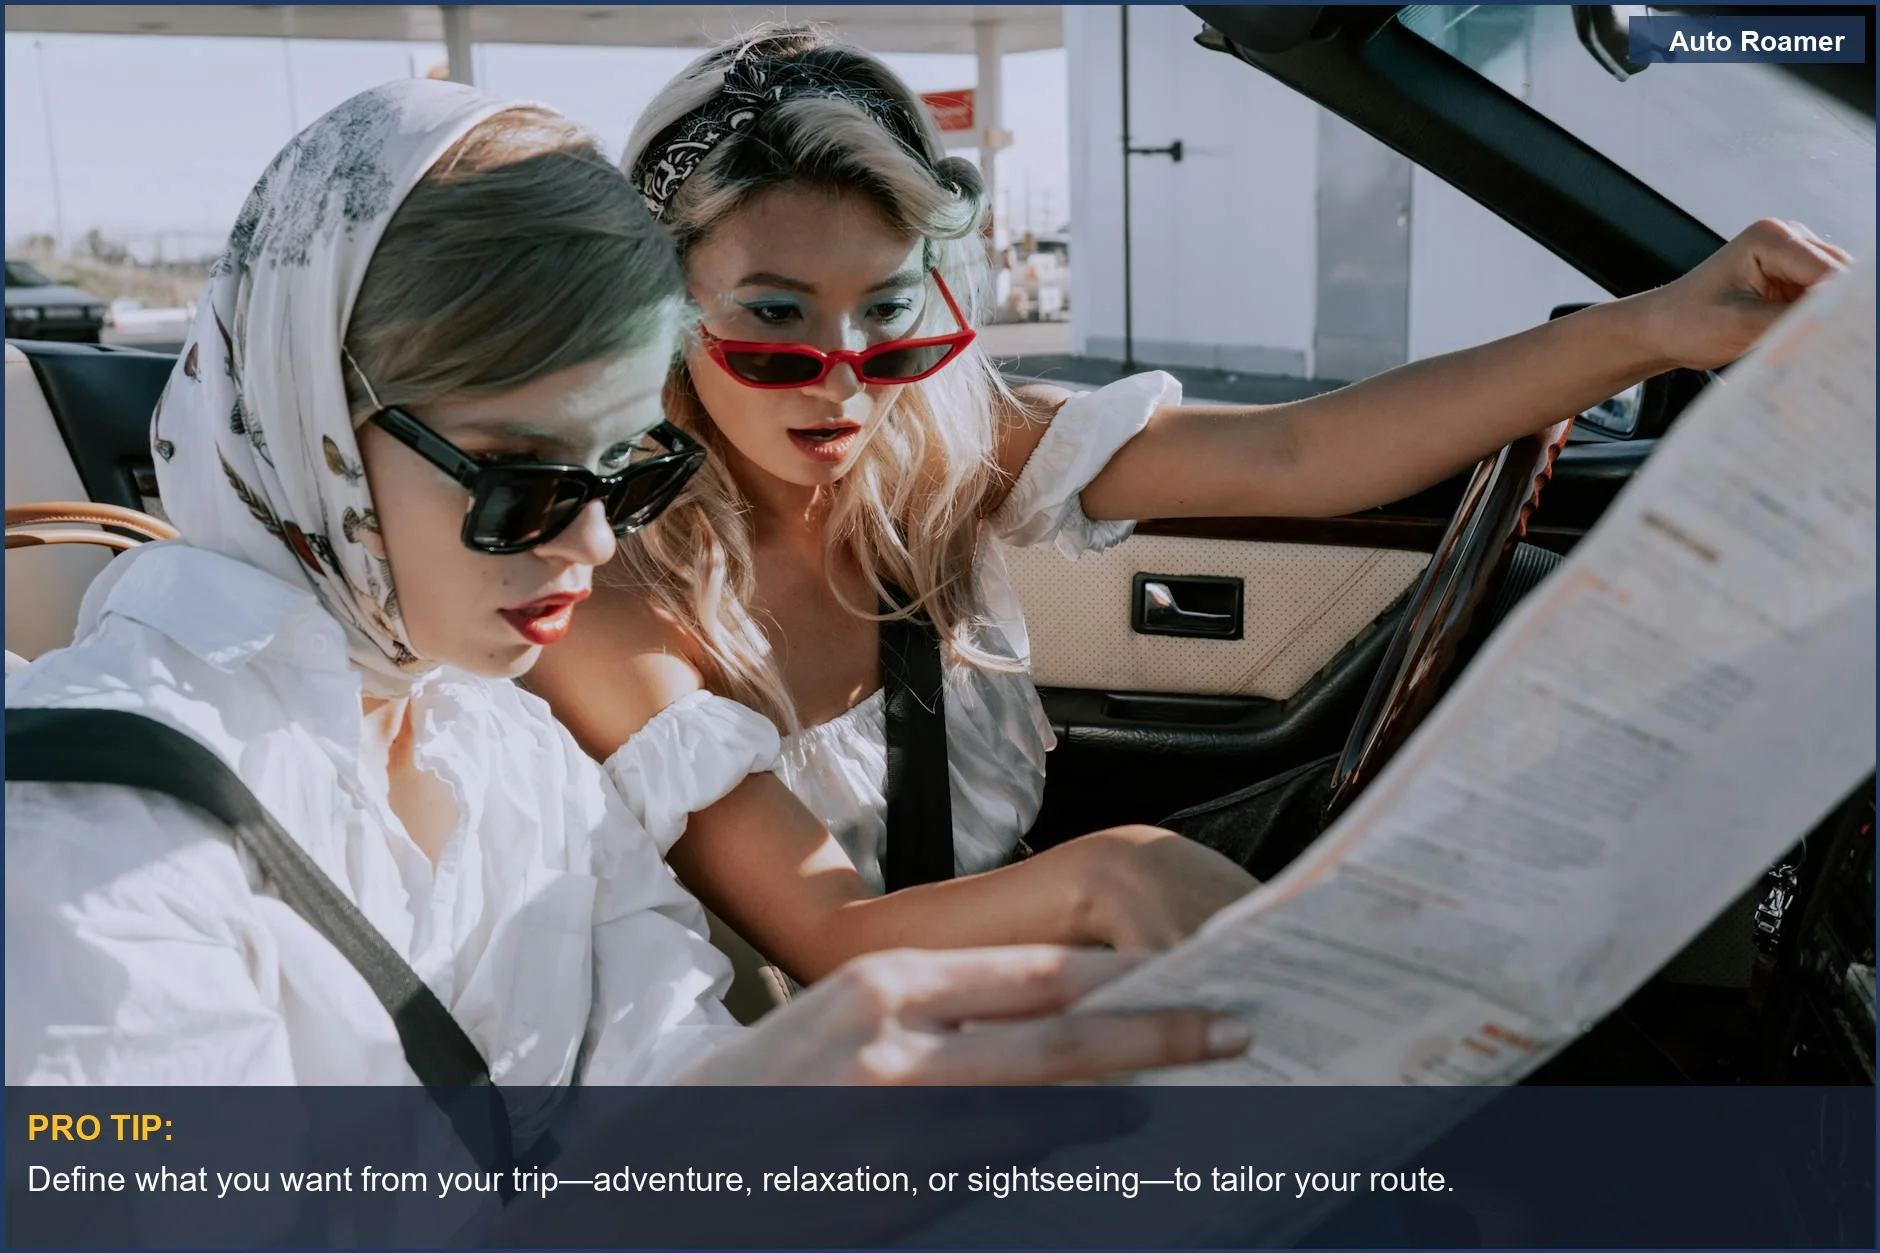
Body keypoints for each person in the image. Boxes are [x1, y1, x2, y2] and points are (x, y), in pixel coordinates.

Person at [525, 25, 1853, 989]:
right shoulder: (613, 603)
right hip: (850, 1054)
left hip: (1023, 953)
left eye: (886, 320)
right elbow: (831, 941)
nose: (844, 382)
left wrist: (1665, 325)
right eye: (772, 324)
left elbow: (1296, 458)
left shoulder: (952, 452)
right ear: (662, 314)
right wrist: (1124, 873)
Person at [3, 80, 1255, 1087]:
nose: (595, 546)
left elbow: (670, 1079)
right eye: (519, 480)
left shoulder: (514, 750)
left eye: (625, 473)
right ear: (310, 422)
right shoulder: (92, 850)